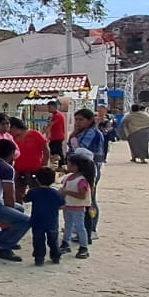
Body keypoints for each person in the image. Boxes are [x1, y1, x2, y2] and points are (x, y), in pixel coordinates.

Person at [69, 108, 106, 236]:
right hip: (80, 169)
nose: (78, 122)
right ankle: (80, 226)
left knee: (90, 199)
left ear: (89, 120)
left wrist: (73, 139)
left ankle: (91, 228)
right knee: (79, 199)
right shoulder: (81, 132)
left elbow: (81, 151)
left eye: (81, 120)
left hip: (90, 169)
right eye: (76, 120)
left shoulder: (92, 133)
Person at [58, 152, 95, 259]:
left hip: (77, 207)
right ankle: (66, 243)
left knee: (80, 227)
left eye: (69, 164)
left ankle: (83, 247)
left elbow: (81, 196)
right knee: (68, 225)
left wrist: (67, 192)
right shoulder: (68, 177)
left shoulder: (81, 180)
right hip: (68, 205)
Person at [25, 168, 64, 266]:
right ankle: (55, 256)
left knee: (38, 240)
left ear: (37, 179)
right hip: (52, 221)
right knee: (53, 240)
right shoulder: (55, 193)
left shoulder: (33, 192)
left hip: (37, 221)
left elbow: (25, 199)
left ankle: (39, 258)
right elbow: (62, 205)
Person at [10, 116, 50, 193]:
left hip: (35, 171)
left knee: (38, 194)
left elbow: (46, 151)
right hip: (18, 172)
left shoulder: (34, 134)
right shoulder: (11, 138)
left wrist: (44, 166)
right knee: (18, 195)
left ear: (14, 127)